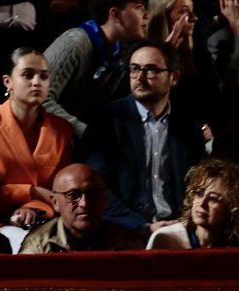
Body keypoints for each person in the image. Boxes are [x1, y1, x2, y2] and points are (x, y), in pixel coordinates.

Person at [85, 41, 207, 239]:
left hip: (179, 228)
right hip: (123, 231)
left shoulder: (188, 124)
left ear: (173, 77)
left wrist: (182, 222)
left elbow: (196, 183)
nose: (139, 78)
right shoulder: (107, 120)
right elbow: (97, 188)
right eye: (134, 69)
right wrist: (142, 227)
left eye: (150, 70)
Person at [0, 47, 73, 243]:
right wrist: (31, 191)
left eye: (44, 76)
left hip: (46, 222)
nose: (37, 82)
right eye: (28, 75)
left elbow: (60, 193)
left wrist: (34, 208)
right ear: (8, 82)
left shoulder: (61, 129)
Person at [42, 0, 149, 139]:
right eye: (138, 8)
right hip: (47, 140)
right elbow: (40, 99)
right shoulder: (76, 43)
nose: (146, 15)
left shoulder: (121, 53)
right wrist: (87, 133)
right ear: (115, 14)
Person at [19, 163, 142, 251]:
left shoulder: (128, 244)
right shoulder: (37, 248)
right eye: (73, 195)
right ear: (55, 202)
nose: (84, 203)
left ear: (105, 199)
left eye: (93, 194)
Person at [146, 158, 239, 248]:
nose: (202, 203)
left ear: (234, 207)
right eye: (198, 194)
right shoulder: (167, 239)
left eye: (213, 199)